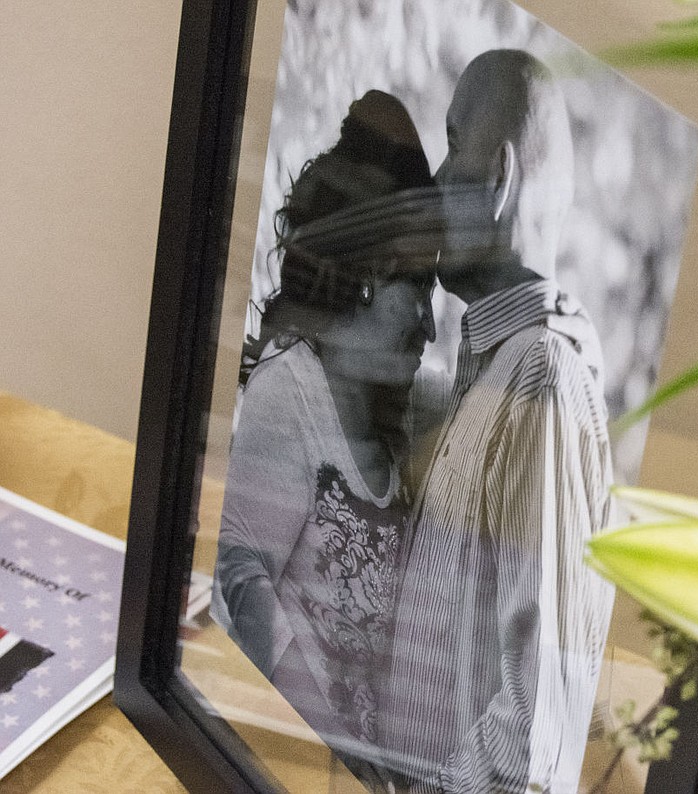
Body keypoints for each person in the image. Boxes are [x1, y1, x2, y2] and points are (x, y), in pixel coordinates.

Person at [382, 50, 615, 794]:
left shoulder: (540, 382)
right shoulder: (494, 369)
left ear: (502, 178)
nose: (437, 179)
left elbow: (532, 733)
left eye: (453, 146)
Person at [213, 90, 440, 783]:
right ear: (371, 275)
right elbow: (240, 586)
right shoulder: (290, 394)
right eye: (421, 289)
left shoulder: (402, 411)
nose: (430, 326)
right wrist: (343, 750)